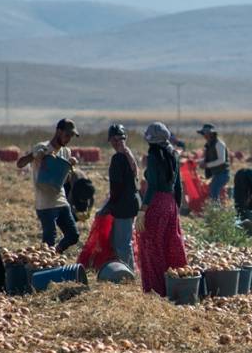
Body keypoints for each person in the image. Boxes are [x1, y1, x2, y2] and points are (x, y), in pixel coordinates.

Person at [17, 118, 80, 253]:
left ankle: (55, 254)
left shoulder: (66, 152)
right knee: (49, 240)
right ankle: (46, 268)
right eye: (67, 135)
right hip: (45, 204)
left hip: (61, 200)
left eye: (71, 136)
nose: (69, 139)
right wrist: (35, 155)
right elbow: (20, 163)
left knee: (73, 235)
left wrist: (69, 167)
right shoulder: (42, 147)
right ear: (58, 131)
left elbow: (65, 179)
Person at [139, 122, 187, 296]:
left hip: (156, 203)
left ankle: (156, 289)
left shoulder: (153, 156)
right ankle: (177, 285)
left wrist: (143, 210)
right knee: (170, 244)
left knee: (151, 246)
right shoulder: (173, 153)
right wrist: (176, 208)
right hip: (170, 203)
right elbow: (178, 185)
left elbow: (151, 187)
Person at [98, 124, 141, 270]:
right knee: (122, 240)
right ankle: (126, 269)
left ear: (124, 139)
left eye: (119, 139)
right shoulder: (129, 155)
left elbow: (116, 187)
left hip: (124, 205)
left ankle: (128, 272)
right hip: (131, 203)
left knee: (123, 243)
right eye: (114, 140)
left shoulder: (118, 159)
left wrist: (109, 205)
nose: (116, 142)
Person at [198, 123, 230, 202]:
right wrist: (199, 162)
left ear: (211, 134)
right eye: (204, 134)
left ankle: (215, 212)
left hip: (223, 174)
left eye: (206, 133)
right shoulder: (209, 145)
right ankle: (215, 211)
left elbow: (221, 160)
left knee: (214, 193)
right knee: (213, 193)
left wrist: (207, 165)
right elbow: (208, 159)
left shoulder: (219, 144)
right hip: (217, 174)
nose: (204, 136)